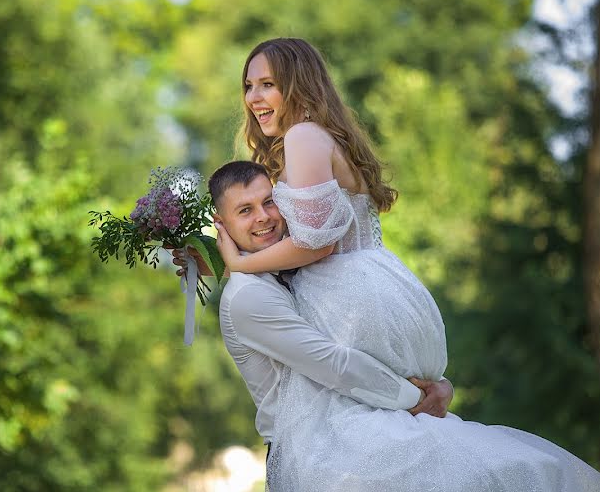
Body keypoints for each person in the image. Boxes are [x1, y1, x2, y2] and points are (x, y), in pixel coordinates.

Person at [211, 37, 600, 491]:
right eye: (249, 86)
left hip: (347, 295)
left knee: (364, 447)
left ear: (298, 85)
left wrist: (240, 265)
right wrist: (212, 255)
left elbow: (315, 244)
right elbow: (287, 238)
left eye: (267, 84)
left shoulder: (303, 136)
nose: (254, 98)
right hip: (381, 285)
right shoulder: (321, 138)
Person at [177, 161, 455, 463]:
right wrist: (420, 399)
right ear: (221, 223)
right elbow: (334, 364)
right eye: (245, 210)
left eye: (269, 202)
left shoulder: (287, 269)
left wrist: (439, 385)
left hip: (350, 432)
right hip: (308, 456)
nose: (263, 217)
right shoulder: (248, 297)